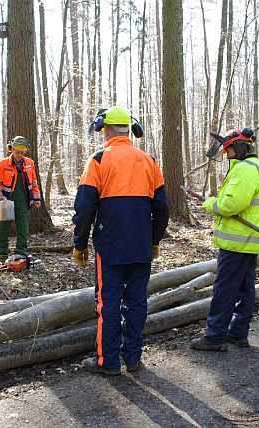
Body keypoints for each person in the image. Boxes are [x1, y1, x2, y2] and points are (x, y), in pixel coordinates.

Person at [73, 106, 169, 375]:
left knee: (108, 303)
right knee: (137, 301)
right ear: (129, 130)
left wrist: (80, 243)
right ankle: (133, 358)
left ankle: (108, 361)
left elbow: (85, 207)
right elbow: (162, 208)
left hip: (110, 244)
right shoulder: (148, 161)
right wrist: (154, 239)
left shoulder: (98, 160)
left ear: (104, 130)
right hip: (141, 243)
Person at [190, 128, 259, 352]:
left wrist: (208, 203)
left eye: (228, 151)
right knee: (245, 288)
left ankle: (215, 337)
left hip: (238, 240)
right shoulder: (256, 167)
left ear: (238, 148)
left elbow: (229, 205)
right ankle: (238, 333)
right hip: (248, 239)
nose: (226, 155)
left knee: (225, 289)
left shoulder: (244, 170)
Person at [0, 136, 41, 259]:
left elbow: (34, 182)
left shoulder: (30, 163)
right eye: (17, 152)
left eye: (22, 153)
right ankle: (2, 252)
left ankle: (21, 252)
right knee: (2, 227)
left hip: (23, 199)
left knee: (23, 227)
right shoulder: (2, 164)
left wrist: (37, 198)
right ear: (11, 150)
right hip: (5, 199)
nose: (19, 155)